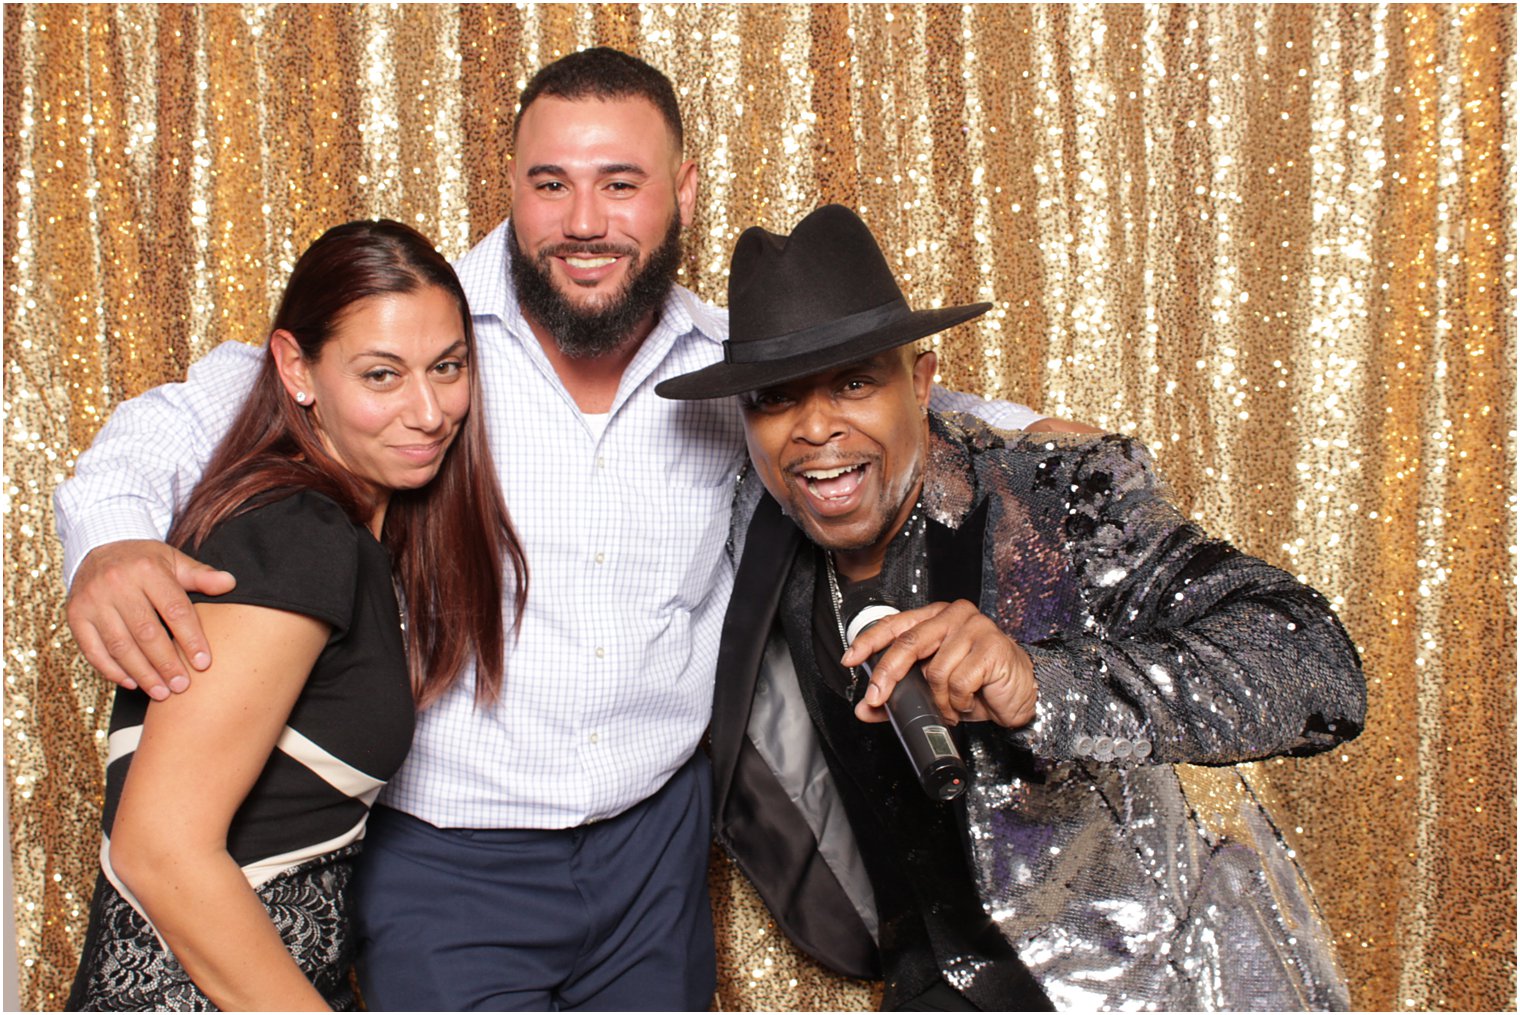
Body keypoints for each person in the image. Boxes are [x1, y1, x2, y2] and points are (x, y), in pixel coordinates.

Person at [56, 49, 1090, 1010]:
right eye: (549, 183)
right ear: (510, 188)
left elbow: (877, 401)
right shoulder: (429, 333)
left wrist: (1032, 437)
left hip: (657, 853)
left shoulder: (733, 363)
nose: (582, 219)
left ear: (680, 193)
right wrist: (106, 536)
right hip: (445, 859)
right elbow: (210, 403)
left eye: (619, 184)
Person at [655, 204, 1367, 1011]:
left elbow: (1317, 666)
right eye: (776, 398)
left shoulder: (1059, 499)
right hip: (935, 981)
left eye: (854, 382)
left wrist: (1042, 682)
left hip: (1143, 983)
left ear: (920, 384)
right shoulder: (759, 518)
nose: (816, 427)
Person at [65, 220, 526, 1011]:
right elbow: (160, 847)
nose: (428, 410)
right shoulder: (300, 532)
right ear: (296, 369)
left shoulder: (356, 533)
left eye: (448, 367)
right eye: (382, 375)